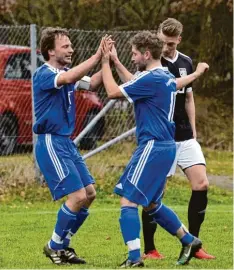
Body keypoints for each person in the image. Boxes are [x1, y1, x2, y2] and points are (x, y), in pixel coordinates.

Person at [101, 31, 209, 267]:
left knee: (128, 201)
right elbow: (134, 82)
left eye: (134, 54)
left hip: (152, 146)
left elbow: (112, 92)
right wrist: (117, 61)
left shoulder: (151, 78)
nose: (132, 58)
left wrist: (105, 62)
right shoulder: (164, 76)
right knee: (152, 204)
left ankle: (134, 257)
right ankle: (189, 240)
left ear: (146, 54)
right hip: (165, 146)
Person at [33, 27, 111, 265]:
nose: (71, 49)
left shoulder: (67, 72)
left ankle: (63, 246)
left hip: (65, 143)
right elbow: (67, 78)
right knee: (76, 196)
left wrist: (109, 60)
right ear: (50, 50)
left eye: (70, 45)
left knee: (89, 194)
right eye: (65, 46)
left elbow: (94, 83)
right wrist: (96, 56)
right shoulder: (45, 73)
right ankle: (54, 246)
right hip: (50, 141)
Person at [142, 18, 215, 260]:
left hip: (184, 136)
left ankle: (194, 244)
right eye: (162, 42)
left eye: (171, 44)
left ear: (179, 41)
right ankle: (150, 249)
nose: (166, 48)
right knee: (154, 193)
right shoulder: (150, 62)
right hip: (161, 138)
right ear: (157, 36)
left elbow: (188, 98)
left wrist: (193, 130)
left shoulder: (185, 62)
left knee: (201, 184)